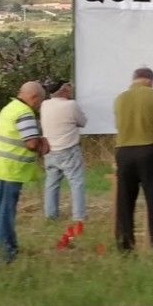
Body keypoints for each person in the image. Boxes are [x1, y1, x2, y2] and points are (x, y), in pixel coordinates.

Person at [0, 81, 49, 262]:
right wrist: (42, 143)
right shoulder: (24, 112)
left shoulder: (9, 108)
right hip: (8, 171)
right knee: (5, 214)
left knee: (1, 213)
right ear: (34, 97)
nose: (40, 106)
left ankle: (9, 248)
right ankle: (3, 257)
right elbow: (31, 143)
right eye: (40, 101)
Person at [113, 67, 153, 252]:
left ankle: (125, 247)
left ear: (134, 80)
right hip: (150, 152)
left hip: (123, 153)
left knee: (124, 202)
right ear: (151, 81)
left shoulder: (120, 98)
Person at [40, 81, 88, 223]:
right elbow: (83, 122)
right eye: (68, 88)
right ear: (63, 91)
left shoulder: (44, 105)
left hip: (49, 150)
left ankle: (51, 215)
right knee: (76, 182)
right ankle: (79, 216)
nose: (70, 90)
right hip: (68, 149)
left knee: (51, 183)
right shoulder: (71, 105)